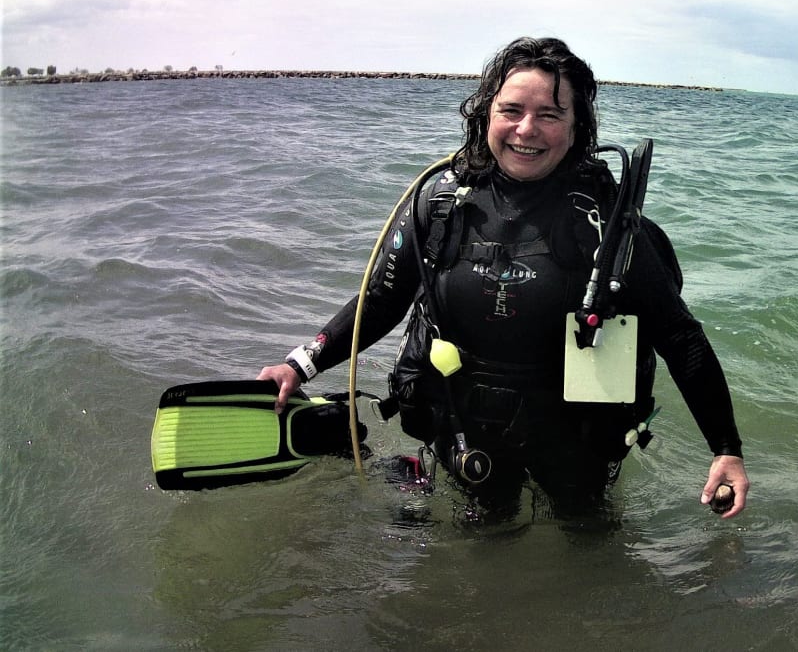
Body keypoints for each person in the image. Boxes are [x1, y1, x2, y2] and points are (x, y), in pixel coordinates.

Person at [258, 37, 749, 520]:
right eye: (511, 110)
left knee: (591, 551)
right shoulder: (440, 204)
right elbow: (383, 301)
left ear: (577, 127)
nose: (526, 129)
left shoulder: (605, 221)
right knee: (481, 553)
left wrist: (725, 448)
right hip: (468, 430)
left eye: (550, 115)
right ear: (486, 114)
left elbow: (678, 335)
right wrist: (300, 365)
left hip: (575, 438)